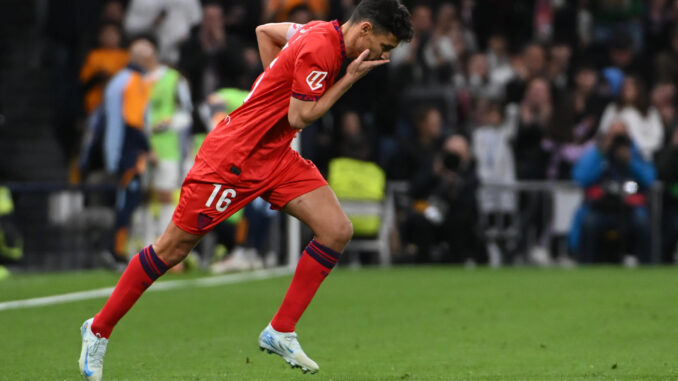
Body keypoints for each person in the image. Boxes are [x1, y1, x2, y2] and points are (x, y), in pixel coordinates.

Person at [78, 1, 413, 380]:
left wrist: (276, 80)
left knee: (337, 229)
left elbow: (265, 31)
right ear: (365, 30)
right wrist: (347, 79)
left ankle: (281, 330)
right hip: (233, 158)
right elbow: (300, 116)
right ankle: (98, 329)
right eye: (385, 47)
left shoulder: (318, 32)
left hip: (275, 156)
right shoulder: (322, 47)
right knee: (172, 248)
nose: (383, 56)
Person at [100, 37, 157, 267]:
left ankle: (117, 250)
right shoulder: (134, 81)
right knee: (127, 203)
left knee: (125, 202)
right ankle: (115, 252)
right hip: (130, 154)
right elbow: (133, 122)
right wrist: (147, 148)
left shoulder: (119, 80)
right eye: (152, 56)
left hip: (118, 151)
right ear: (143, 58)